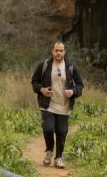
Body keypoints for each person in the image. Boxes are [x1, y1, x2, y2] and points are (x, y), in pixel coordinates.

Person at [30, 40, 83, 168]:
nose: (58, 53)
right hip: (48, 104)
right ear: (52, 51)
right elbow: (34, 82)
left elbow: (80, 85)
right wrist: (42, 90)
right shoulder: (44, 65)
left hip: (64, 106)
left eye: (61, 50)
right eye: (56, 50)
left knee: (62, 131)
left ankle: (59, 157)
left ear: (64, 52)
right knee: (48, 128)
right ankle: (49, 150)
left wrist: (73, 91)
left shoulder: (71, 67)